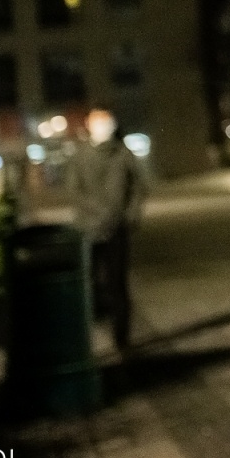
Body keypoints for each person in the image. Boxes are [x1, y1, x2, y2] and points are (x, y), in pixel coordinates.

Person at [71, 109, 145, 351]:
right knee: (88, 285)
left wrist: (130, 217)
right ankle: (88, 340)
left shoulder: (123, 154)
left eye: (106, 123)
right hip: (89, 231)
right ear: (89, 125)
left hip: (118, 231)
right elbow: (74, 190)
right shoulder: (80, 155)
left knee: (118, 286)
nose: (103, 127)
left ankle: (122, 340)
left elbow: (139, 186)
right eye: (98, 123)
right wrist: (97, 215)